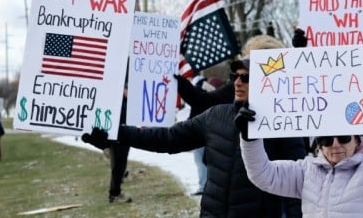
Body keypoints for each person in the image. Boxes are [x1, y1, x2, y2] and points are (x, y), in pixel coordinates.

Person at [82, 58, 306, 217]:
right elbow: (167, 138)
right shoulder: (216, 116)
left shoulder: (281, 125)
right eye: (234, 77)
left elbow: (296, 182)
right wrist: (116, 134)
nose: (237, 83)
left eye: (246, 78)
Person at [235, 82, 363, 217]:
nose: (335, 144)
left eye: (344, 137)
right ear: (319, 144)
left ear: (357, 139)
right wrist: (250, 139)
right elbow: (262, 174)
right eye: (327, 140)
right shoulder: (307, 170)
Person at [188, 72, 216, 196]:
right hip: (212, 132)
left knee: (200, 161)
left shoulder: (196, 94)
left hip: (199, 133)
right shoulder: (212, 91)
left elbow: (193, 115)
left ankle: (202, 186)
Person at [107, 83, 132, 203]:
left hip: (125, 136)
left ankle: (116, 191)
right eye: (126, 89)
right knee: (117, 166)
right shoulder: (117, 101)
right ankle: (114, 194)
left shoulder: (128, 101)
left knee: (121, 165)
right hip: (116, 137)